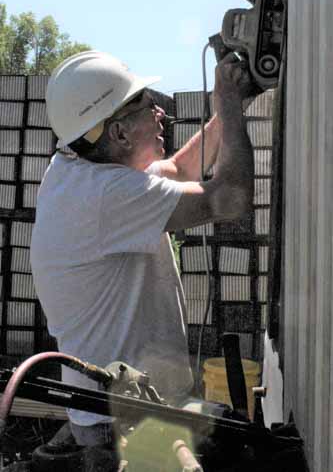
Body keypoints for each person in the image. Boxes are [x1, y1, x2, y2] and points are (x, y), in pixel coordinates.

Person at [30, 50, 255, 449]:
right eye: (148, 106)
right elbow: (230, 198)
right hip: (123, 425)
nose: (161, 114)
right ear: (118, 132)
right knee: (254, 452)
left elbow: (184, 170)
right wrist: (232, 111)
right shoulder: (104, 196)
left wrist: (234, 102)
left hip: (124, 409)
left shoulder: (83, 172)